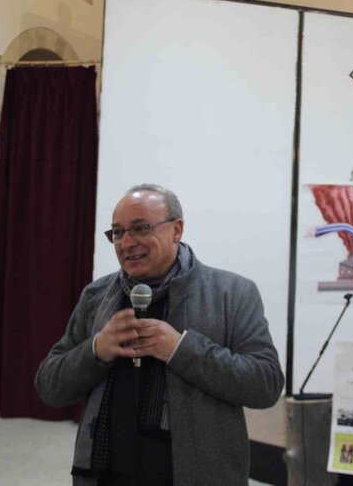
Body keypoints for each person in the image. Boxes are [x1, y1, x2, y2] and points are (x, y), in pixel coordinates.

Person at [35, 184, 284, 486]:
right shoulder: (96, 297)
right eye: (118, 232)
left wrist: (180, 349)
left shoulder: (232, 293)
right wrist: (96, 349)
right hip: (103, 474)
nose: (127, 242)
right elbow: (49, 387)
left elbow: (265, 384)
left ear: (176, 230)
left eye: (141, 228)